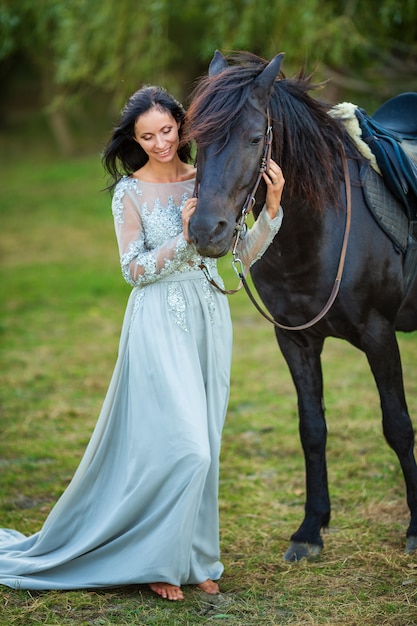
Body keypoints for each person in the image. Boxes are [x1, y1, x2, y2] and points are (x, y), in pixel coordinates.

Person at [0, 85, 284, 601]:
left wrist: (272, 207)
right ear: (134, 139)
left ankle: (194, 557)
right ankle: (155, 560)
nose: (159, 143)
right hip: (157, 323)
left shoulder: (207, 179)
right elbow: (133, 271)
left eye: (167, 131)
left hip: (208, 317)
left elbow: (240, 253)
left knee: (207, 441)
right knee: (184, 449)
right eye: (146, 136)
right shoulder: (127, 193)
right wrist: (181, 238)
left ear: (183, 125)